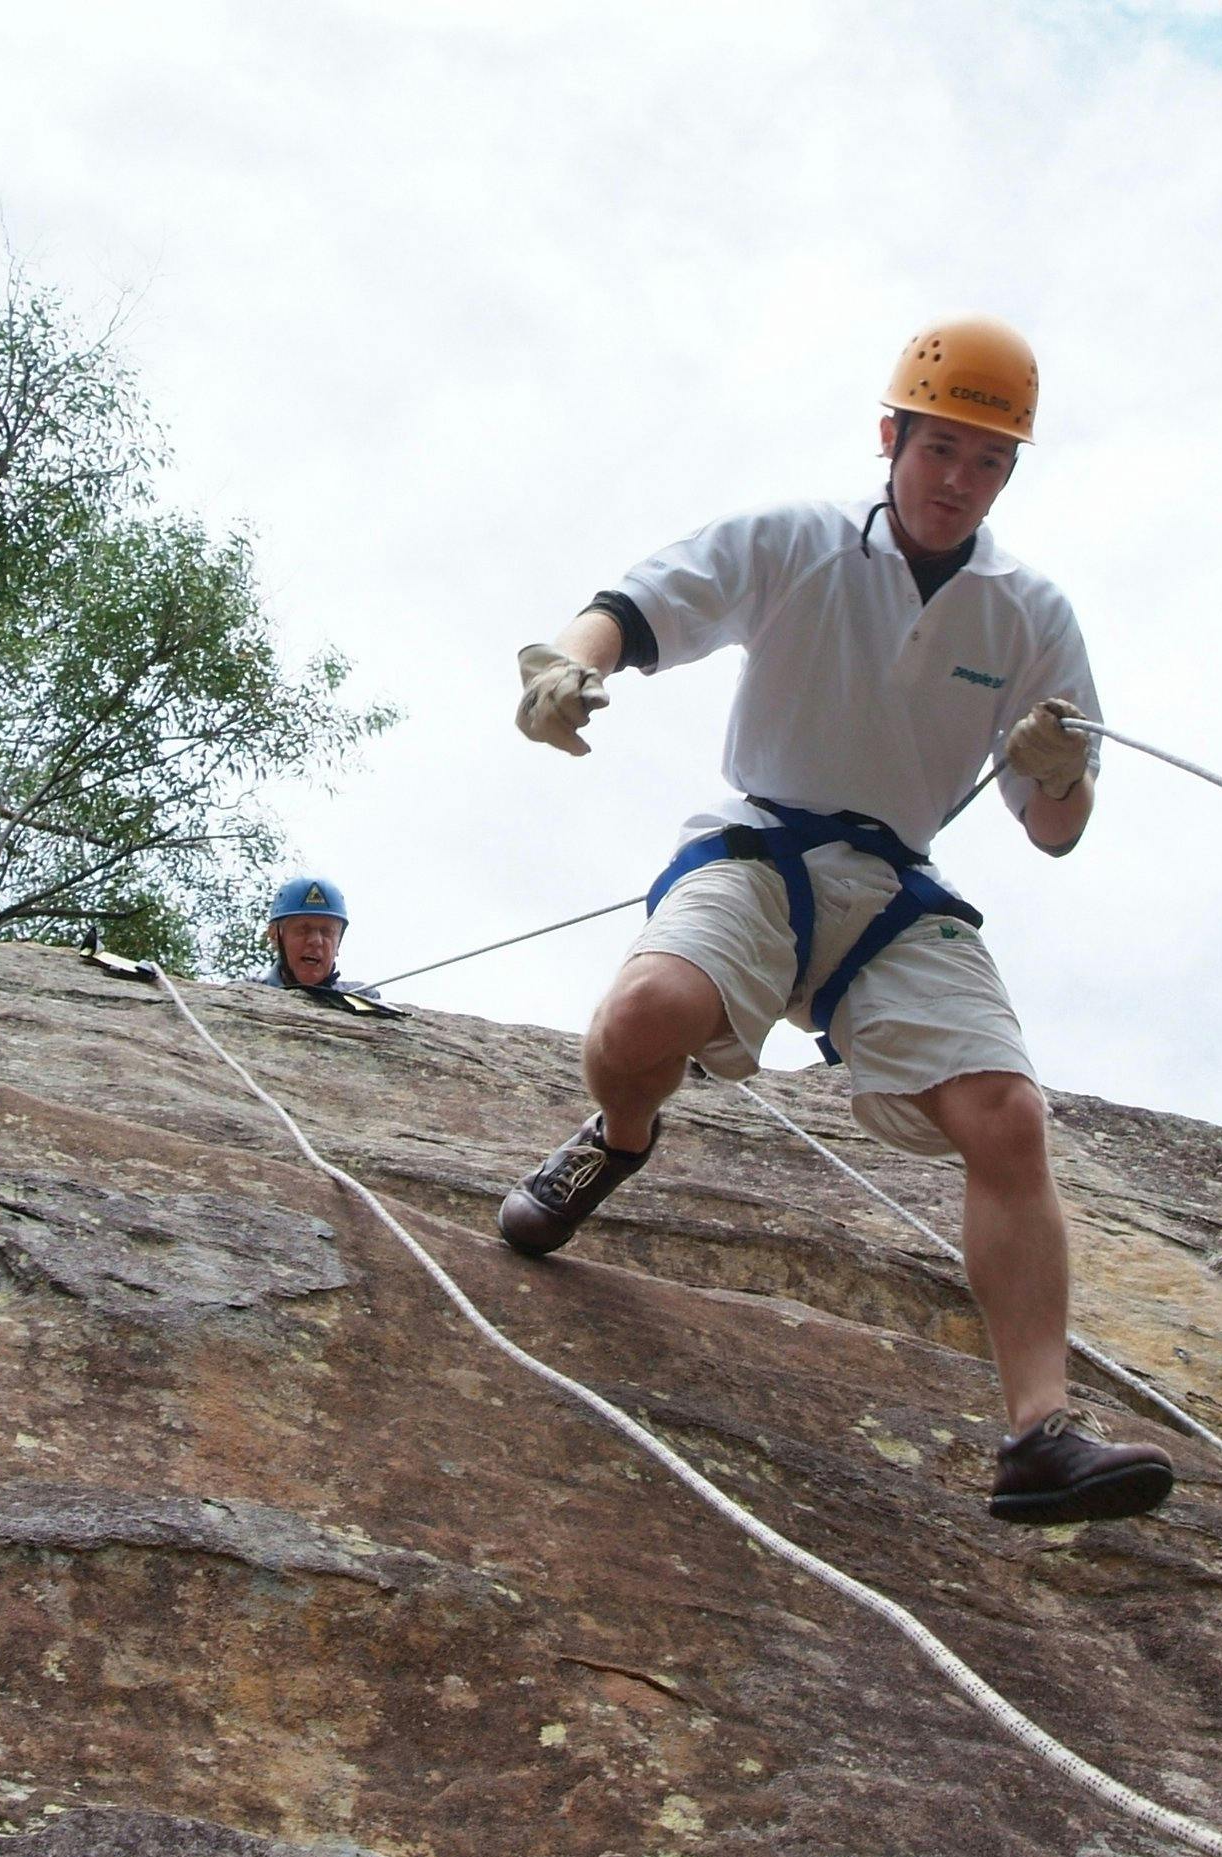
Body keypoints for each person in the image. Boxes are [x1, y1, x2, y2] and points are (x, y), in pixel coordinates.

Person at [498, 314, 1172, 1525]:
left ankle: (1039, 1431)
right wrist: (566, 663)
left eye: (988, 462)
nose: (958, 482)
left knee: (1006, 1116)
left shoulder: (1029, 615)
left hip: (897, 892)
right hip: (761, 844)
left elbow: (1055, 831)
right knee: (645, 1015)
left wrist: (1059, 771)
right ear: (889, 436)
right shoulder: (798, 541)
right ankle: (621, 1133)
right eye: (940, 449)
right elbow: (639, 606)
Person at [261, 874, 403, 1017]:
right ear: (274, 935)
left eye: (327, 932)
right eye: (303, 930)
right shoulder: (250, 993)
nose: (316, 941)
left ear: (338, 942)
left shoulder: (365, 998)